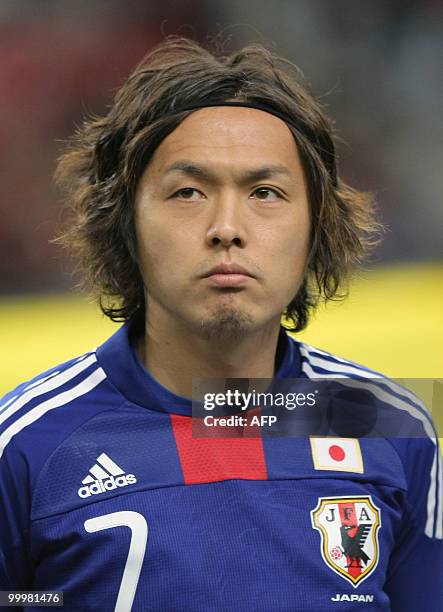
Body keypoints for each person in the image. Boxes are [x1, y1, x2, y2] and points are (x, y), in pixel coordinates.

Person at [0, 37, 441, 612]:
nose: (226, 227)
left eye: (265, 192)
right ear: (125, 224)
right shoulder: (26, 447)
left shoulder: (392, 426)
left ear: (316, 227)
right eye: (188, 192)